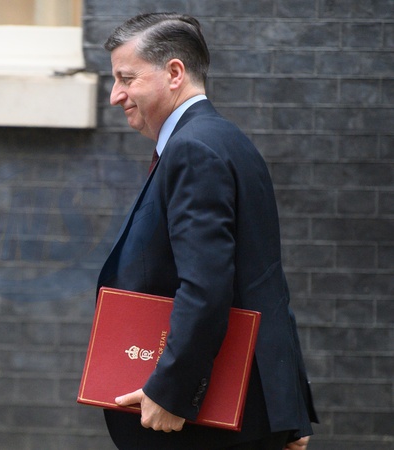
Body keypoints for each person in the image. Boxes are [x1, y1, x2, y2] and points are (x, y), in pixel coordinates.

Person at [97, 12, 318, 450]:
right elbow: (261, 280)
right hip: (246, 409)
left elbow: (205, 286)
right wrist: (288, 408)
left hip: (203, 422)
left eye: (126, 78)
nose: (115, 95)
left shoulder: (193, 149)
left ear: (174, 73)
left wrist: (170, 391)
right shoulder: (228, 140)